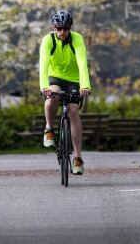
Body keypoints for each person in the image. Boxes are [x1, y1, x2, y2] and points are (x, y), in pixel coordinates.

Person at [39, 9, 91, 175]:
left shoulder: (77, 39)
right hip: (54, 76)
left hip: (74, 79)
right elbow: (44, 64)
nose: (62, 32)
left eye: (65, 29)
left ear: (70, 28)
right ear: (54, 28)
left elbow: (82, 63)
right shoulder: (48, 40)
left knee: (74, 111)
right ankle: (49, 129)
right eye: (59, 28)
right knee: (51, 98)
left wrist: (85, 85)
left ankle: (77, 157)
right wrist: (44, 86)